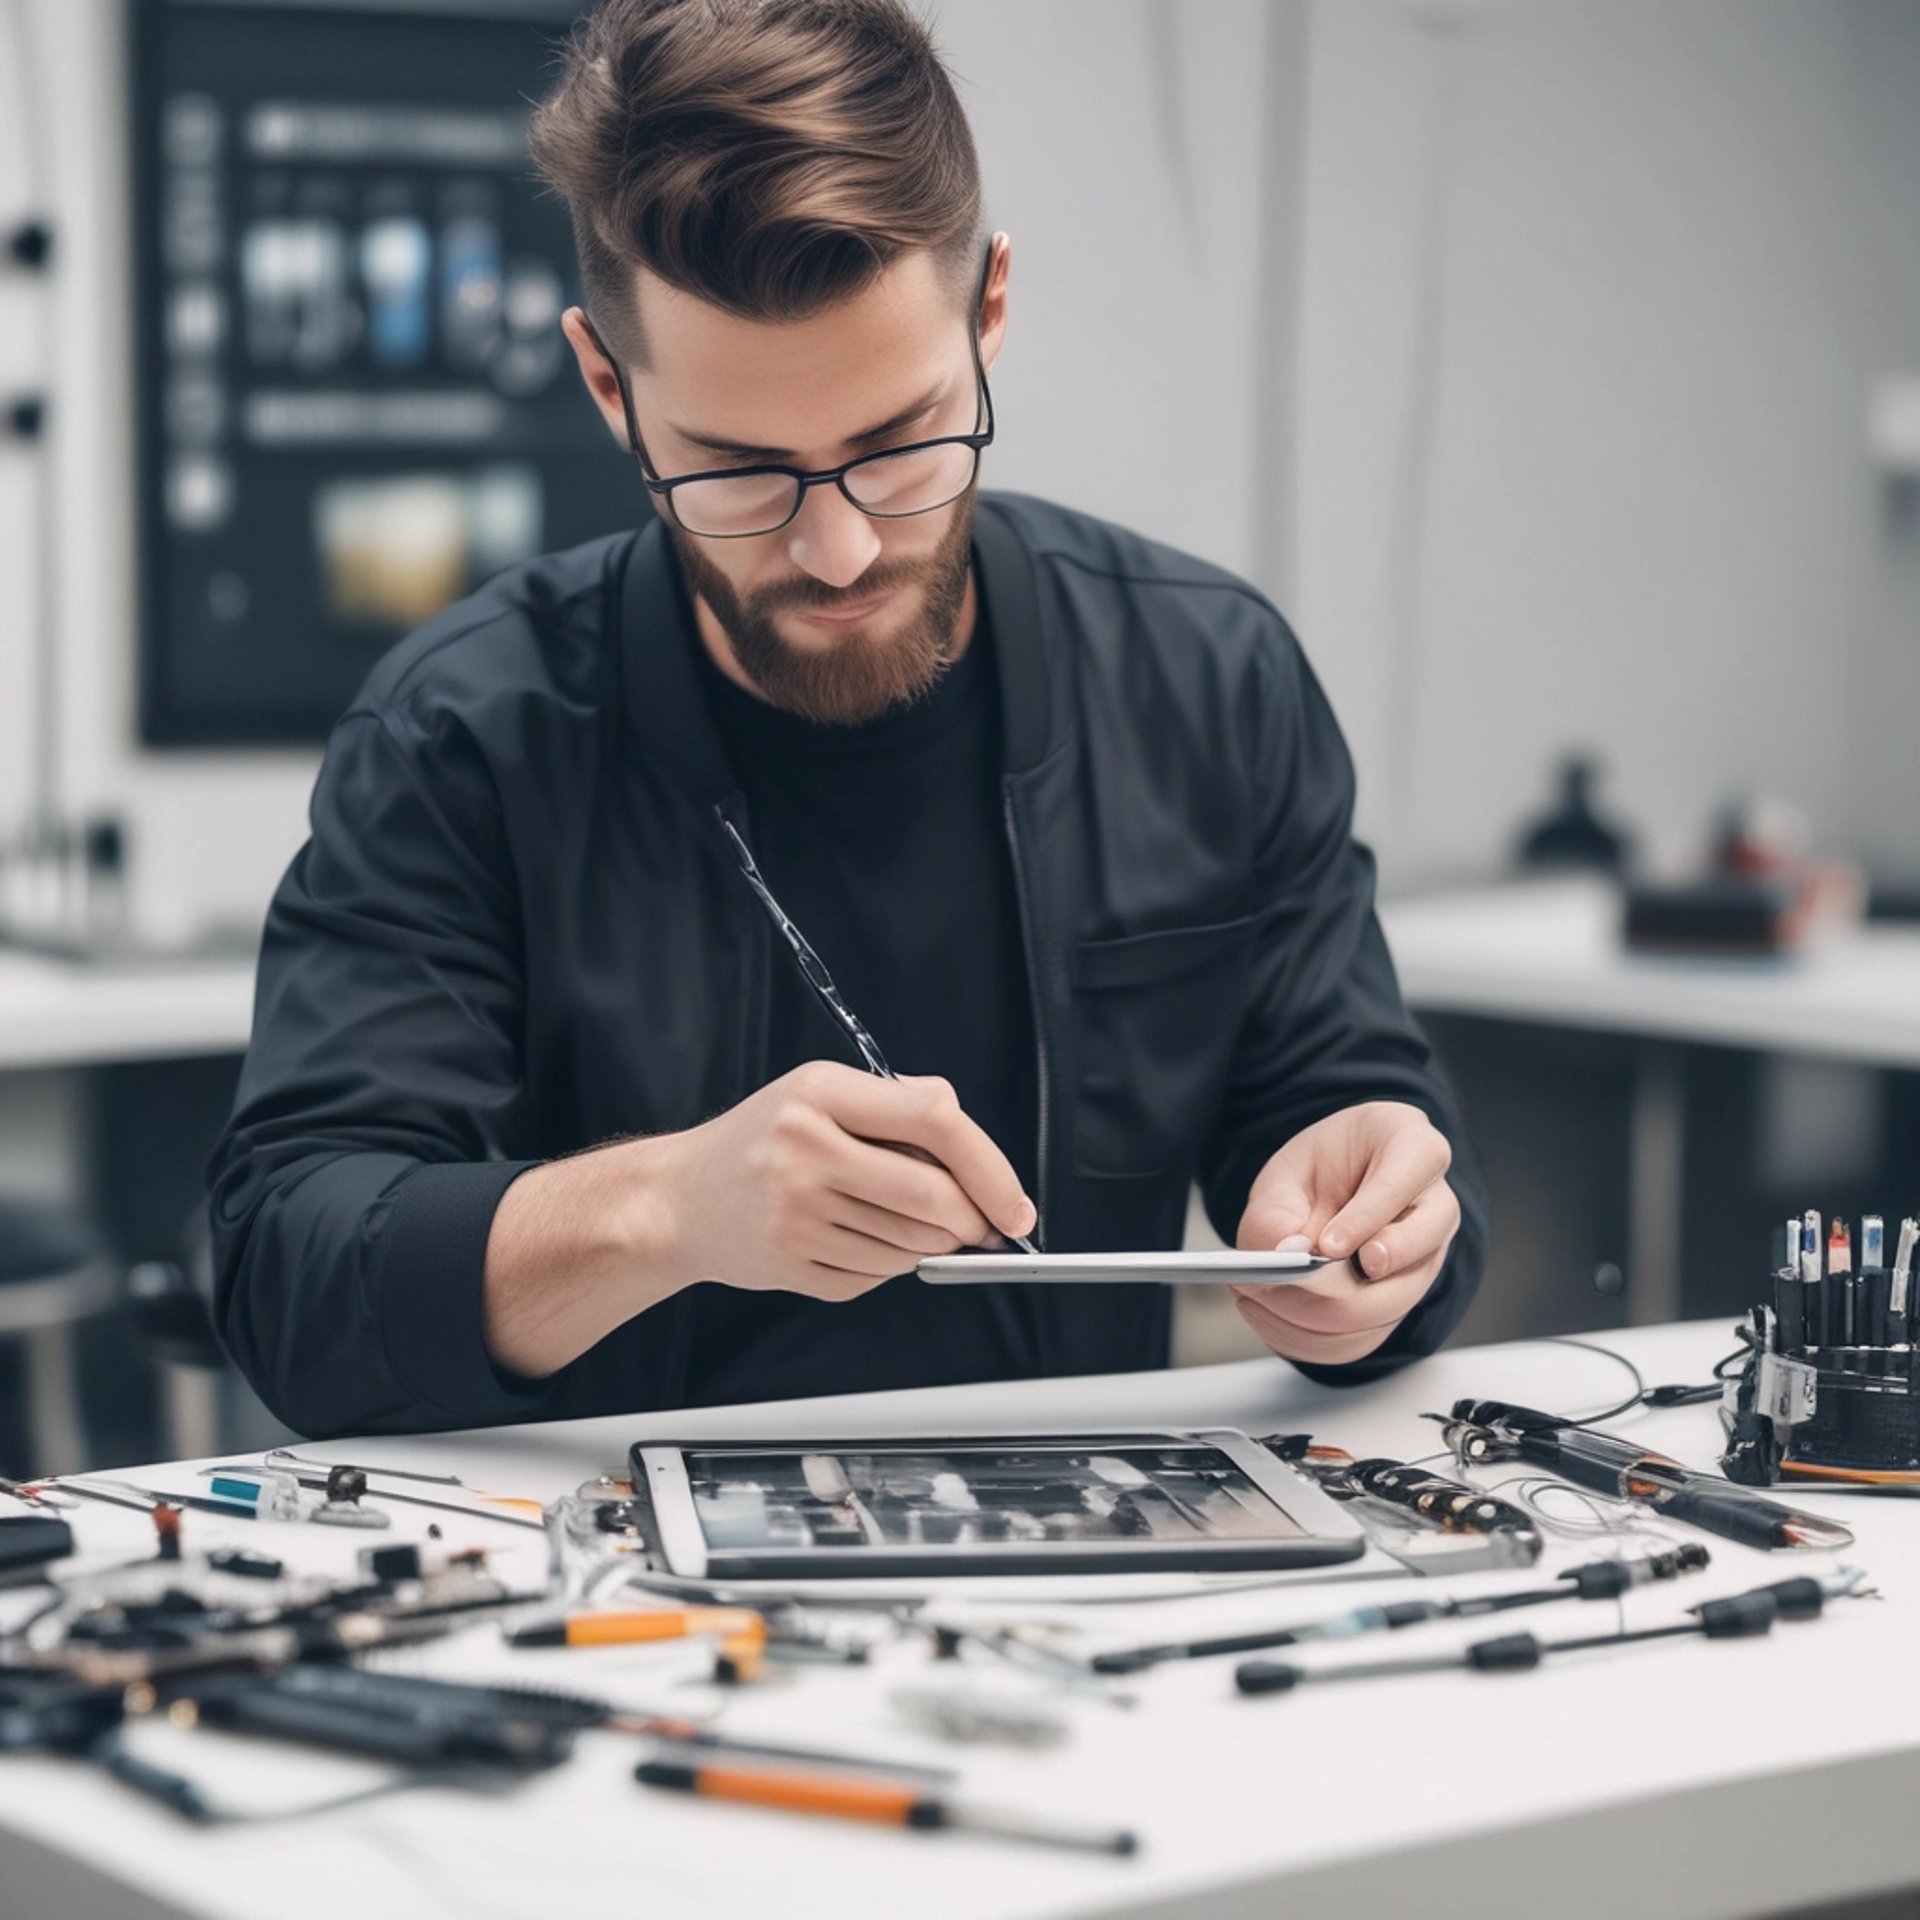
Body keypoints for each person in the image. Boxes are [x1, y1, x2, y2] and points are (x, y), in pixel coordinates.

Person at [208, 0, 1488, 1438]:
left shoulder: (1207, 680)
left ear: (989, 312)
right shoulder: (462, 738)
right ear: (606, 386)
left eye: (899, 445)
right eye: (739, 472)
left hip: (1101, 1588)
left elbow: (1360, 1129)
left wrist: (1384, 1241)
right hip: (617, 1592)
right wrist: (667, 1208)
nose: (838, 552)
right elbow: (287, 1273)